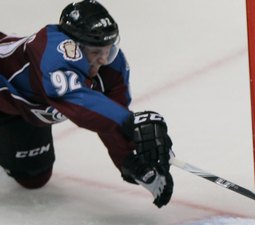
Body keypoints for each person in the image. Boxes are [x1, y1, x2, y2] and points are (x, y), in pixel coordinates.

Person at [0, 0, 173, 208]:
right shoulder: (49, 50)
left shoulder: (111, 68)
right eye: (95, 51)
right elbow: (80, 103)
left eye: (108, 49)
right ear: (75, 46)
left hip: (17, 111)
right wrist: (130, 124)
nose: (103, 58)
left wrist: (133, 164)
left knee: (34, 176)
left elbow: (110, 118)